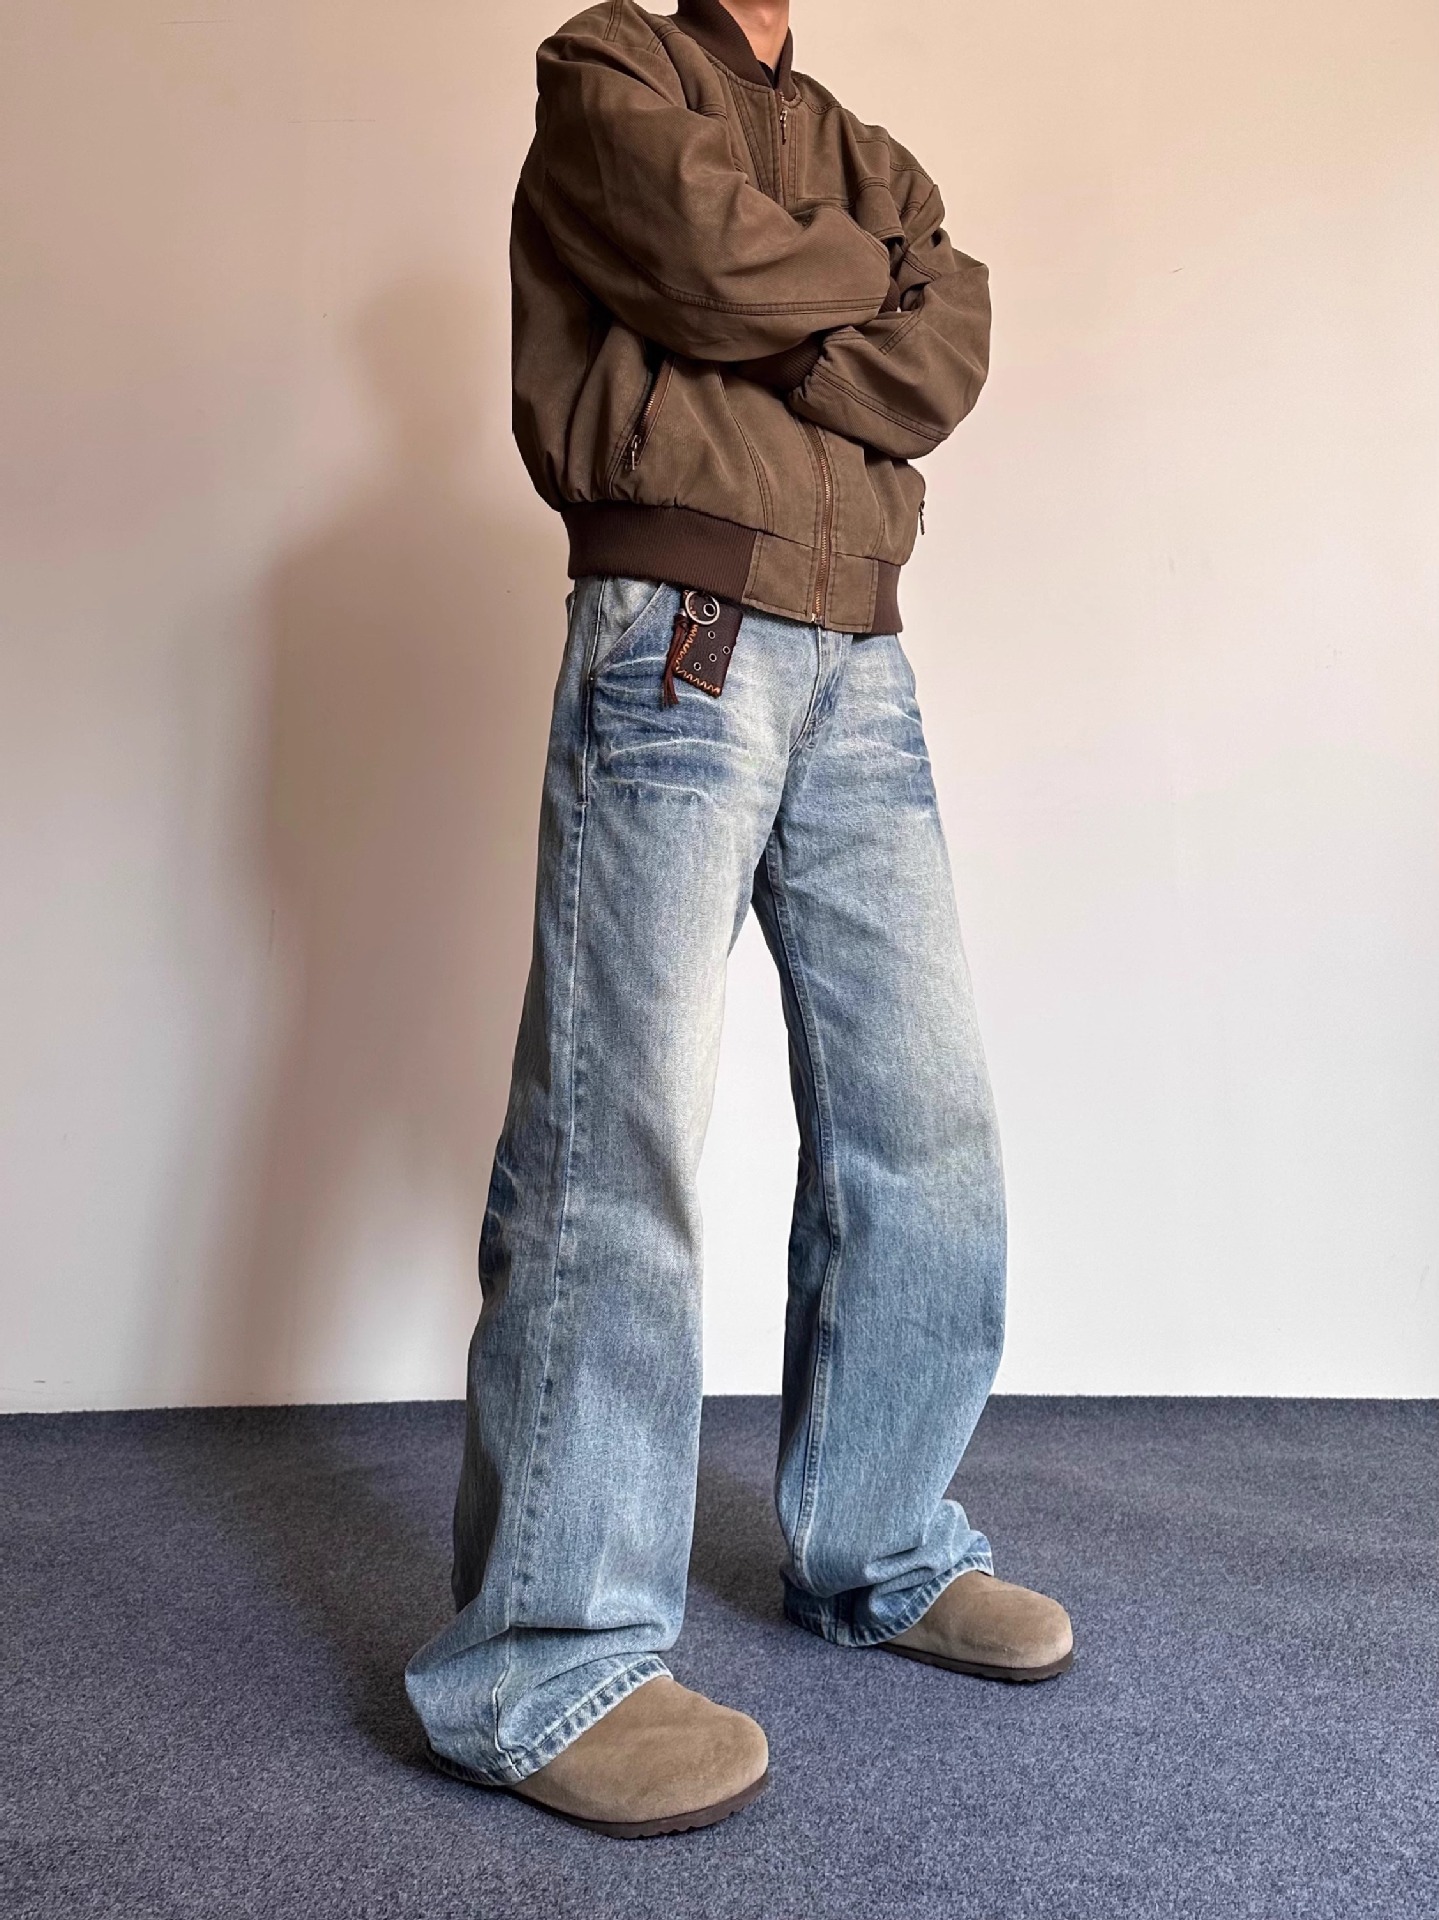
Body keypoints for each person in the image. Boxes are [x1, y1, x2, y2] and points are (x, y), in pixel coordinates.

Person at [405, 0, 1072, 1839]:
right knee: (616, 1133)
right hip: (678, 637)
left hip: (864, 661)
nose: (875, 248)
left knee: (922, 1121)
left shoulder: (875, 154)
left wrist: (800, 297)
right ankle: (543, 1659)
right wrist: (849, 288)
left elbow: (943, 359)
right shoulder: (607, 71)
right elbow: (703, 260)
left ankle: (879, 1546)